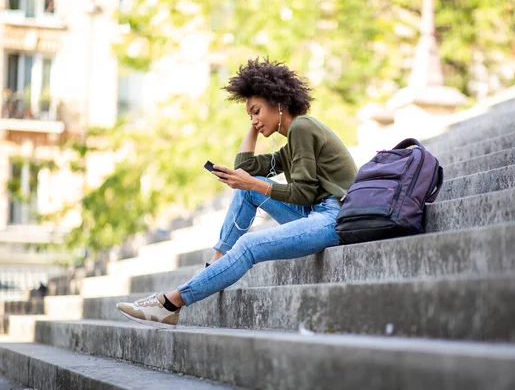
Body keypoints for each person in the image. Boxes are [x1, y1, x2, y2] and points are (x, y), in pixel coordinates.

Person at [116, 58, 358, 328]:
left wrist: (252, 183)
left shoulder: (303, 128)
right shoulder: (292, 143)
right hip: (317, 213)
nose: (254, 120)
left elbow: (301, 193)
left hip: (334, 218)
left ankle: (170, 303)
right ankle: (216, 263)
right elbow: (245, 167)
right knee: (247, 189)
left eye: (256, 111)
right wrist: (254, 129)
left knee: (249, 244)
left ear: (277, 101)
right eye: (250, 116)